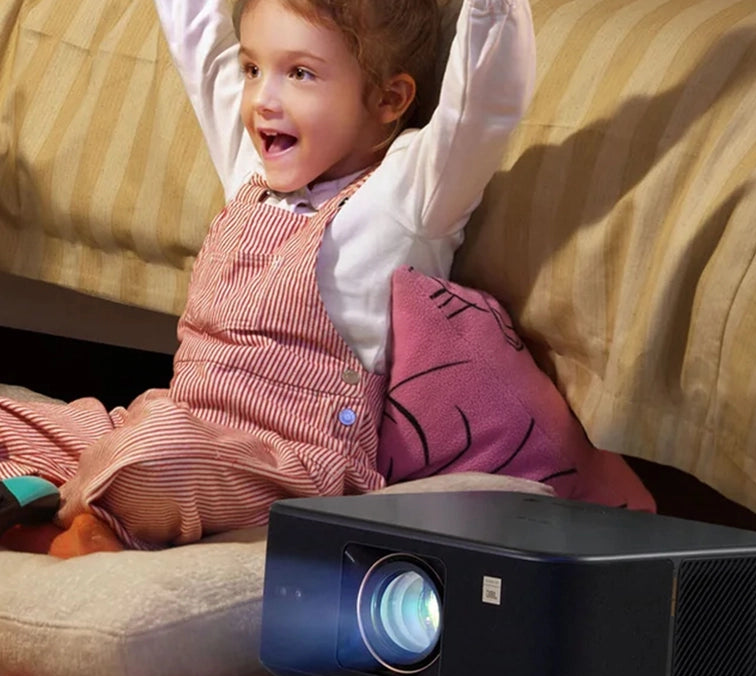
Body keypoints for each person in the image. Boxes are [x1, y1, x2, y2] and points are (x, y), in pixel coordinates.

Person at [0, 0, 536, 555]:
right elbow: (195, 34)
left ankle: (57, 515)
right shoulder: (253, 171)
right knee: (22, 422)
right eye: (253, 69)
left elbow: (484, 103)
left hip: (288, 468)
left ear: (388, 98)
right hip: (174, 424)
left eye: (300, 73)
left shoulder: (408, 195)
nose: (262, 99)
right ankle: (65, 508)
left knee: (157, 448)